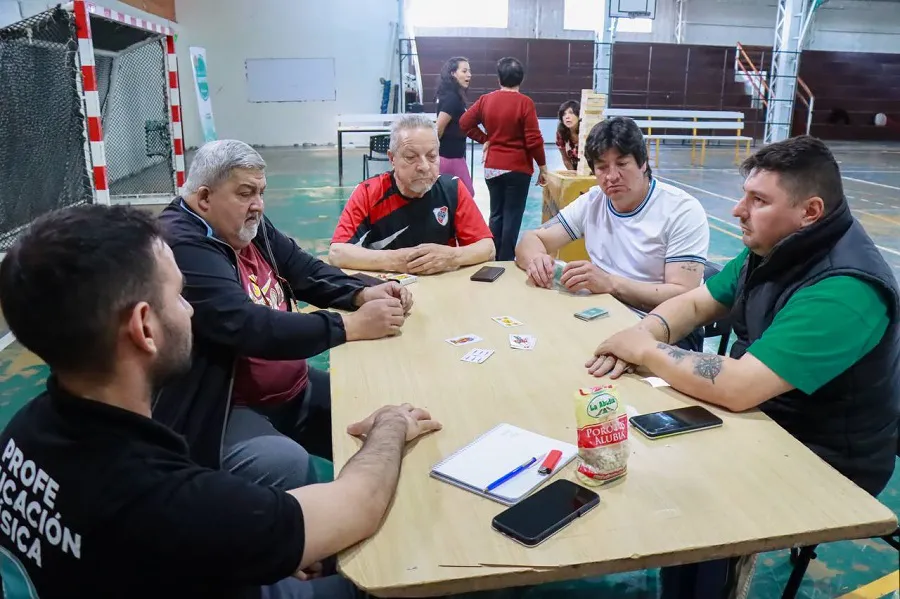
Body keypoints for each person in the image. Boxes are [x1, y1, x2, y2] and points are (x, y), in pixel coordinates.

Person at [0, 204, 441, 598]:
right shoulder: (168, 501)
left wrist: (253, 546)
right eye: (179, 295)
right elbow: (359, 505)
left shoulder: (22, 432)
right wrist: (390, 426)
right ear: (144, 328)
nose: (191, 310)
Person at [586, 135, 900, 598]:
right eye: (744, 195)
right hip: (770, 418)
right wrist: (645, 332)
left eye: (758, 200)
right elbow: (697, 303)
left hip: (824, 455)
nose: (738, 210)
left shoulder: (845, 288)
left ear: (810, 211)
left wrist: (646, 351)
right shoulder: (775, 248)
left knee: (693, 493)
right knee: (645, 444)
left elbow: (739, 387)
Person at [155, 139, 414, 489]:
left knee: (383, 416)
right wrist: (349, 325)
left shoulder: (245, 225)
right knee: (287, 465)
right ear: (204, 198)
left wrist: (361, 292)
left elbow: (301, 268)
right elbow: (245, 324)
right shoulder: (182, 244)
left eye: (261, 192)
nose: (258, 205)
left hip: (288, 389)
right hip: (222, 404)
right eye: (246, 193)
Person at [515, 116, 709, 350]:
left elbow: (685, 297)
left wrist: (610, 283)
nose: (611, 176)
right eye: (602, 167)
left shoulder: (681, 210)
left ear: (643, 163)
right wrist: (537, 261)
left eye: (622, 163)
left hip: (666, 328)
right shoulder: (592, 201)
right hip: (605, 313)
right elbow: (531, 239)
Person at [328, 114, 495, 274]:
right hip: (385, 289)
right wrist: (396, 261)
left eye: (432, 156)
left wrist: (451, 257)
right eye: (411, 157)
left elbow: (488, 248)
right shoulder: (368, 192)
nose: (424, 166)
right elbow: (337, 253)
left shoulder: (452, 188)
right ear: (392, 158)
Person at [459, 56, 548, 261]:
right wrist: (543, 166)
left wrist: (486, 139)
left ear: (499, 78)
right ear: (521, 79)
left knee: (496, 215)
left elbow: (464, 123)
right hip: (518, 169)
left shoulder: (485, 100)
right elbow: (533, 139)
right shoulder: (525, 103)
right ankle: (506, 261)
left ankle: (493, 257)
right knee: (512, 217)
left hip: (492, 167)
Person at [435, 56, 476, 197]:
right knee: (467, 194)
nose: (469, 75)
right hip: (448, 158)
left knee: (458, 196)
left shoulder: (455, 96)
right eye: (464, 71)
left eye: (469, 71)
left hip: (455, 156)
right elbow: (438, 128)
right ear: (453, 73)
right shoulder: (452, 98)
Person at [556, 100, 581, 171]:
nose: (567, 117)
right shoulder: (560, 134)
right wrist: (574, 175)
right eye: (564, 114)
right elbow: (566, 160)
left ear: (579, 115)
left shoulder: (587, 131)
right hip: (574, 170)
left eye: (571, 113)